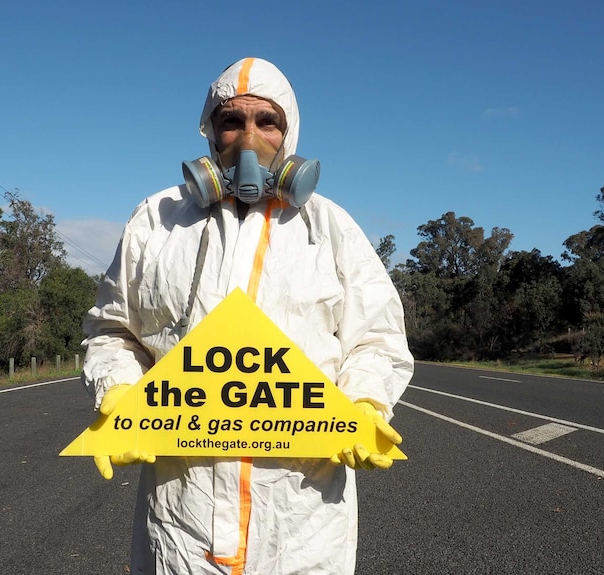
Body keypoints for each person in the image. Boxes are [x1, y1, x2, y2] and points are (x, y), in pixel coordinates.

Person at [81, 57, 414, 575]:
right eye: (231, 120)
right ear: (210, 133)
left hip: (302, 518)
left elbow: (378, 338)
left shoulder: (330, 227)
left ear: (289, 135)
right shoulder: (157, 219)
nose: (248, 137)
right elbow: (112, 330)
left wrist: (364, 401)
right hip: (180, 516)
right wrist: (119, 391)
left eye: (267, 122)